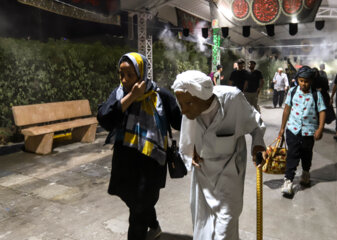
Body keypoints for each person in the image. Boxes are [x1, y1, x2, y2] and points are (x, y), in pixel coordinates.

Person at [171, 70, 266, 240]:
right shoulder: (189, 106)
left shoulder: (233, 99)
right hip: (202, 172)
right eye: (180, 104)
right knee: (202, 223)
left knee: (226, 225)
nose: (183, 110)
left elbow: (255, 124)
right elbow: (187, 136)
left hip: (229, 171)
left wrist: (258, 144)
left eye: (188, 104)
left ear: (204, 97)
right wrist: (190, 149)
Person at [97, 52, 182, 240]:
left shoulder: (160, 96)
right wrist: (132, 97)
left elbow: (181, 122)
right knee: (132, 200)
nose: (124, 80)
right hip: (125, 159)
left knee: (139, 210)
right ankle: (153, 224)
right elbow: (104, 119)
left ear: (141, 74)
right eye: (121, 74)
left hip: (151, 162)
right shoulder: (119, 94)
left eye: (130, 75)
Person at [278, 66, 326, 196]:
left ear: (311, 81)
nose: (304, 84)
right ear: (297, 80)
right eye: (301, 81)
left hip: (309, 132)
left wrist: (320, 128)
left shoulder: (316, 94)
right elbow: (287, 110)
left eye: (307, 81)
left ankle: (305, 173)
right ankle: (288, 181)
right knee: (292, 155)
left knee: (306, 154)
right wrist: (282, 129)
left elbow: (322, 111)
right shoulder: (292, 92)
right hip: (293, 130)